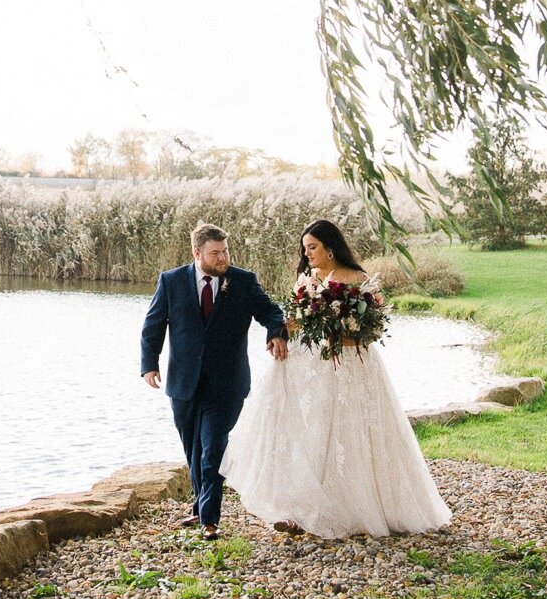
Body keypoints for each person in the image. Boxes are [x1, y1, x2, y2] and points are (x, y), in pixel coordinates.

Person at [220, 219, 452, 538]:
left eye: (312, 247)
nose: (308, 254)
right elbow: (298, 321)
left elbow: (374, 329)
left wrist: (342, 336)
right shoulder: (307, 279)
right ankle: (299, 510)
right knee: (306, 433)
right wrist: (284, 330)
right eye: (305, 249)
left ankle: (352, 510)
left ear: (330, 247)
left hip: (351, 366)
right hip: (311, 368)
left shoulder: (358, 279)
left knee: (350, 435)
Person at [140, 221, 289, 540]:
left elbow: (271, 312)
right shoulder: (171, 281)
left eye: (226, 251)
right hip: (183, 383)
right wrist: (149, 364)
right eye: (215, 253)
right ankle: (199, 507)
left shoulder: (244, 282)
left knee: (213, 449)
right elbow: (153, 325)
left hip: (227, 384)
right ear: (197, 253)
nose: (223, 258)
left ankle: (209, 519)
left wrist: (276, 333)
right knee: (192, 448)